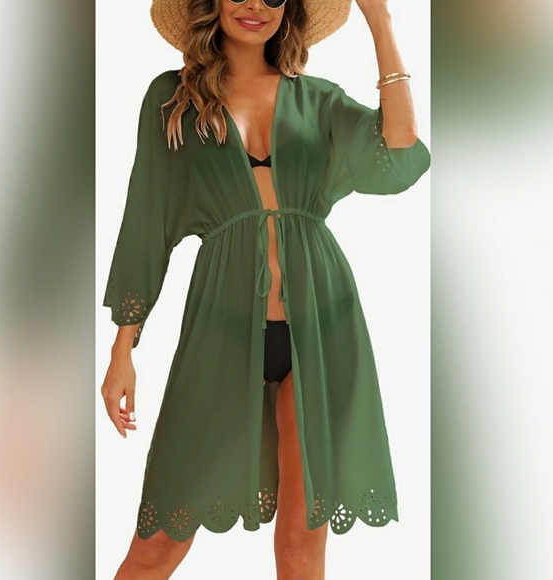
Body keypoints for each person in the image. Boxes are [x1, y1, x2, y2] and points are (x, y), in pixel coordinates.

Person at [100, 0, 430, 577]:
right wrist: (122, 348)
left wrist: (380, 22)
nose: (255, 4)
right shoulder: (171, 99)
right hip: (221, 330)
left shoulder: (319, 99)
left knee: (300, 549)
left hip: (322, 326)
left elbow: (399, 150)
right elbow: (146, 224)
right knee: (157, 543)